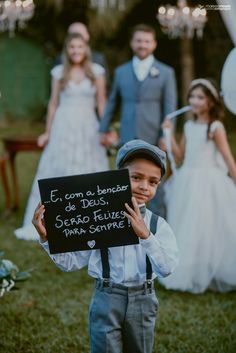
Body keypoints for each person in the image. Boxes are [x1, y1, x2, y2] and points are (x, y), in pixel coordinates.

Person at [32, 139, 179, 353]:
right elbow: (70, 264)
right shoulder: (97, 219)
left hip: (143, 298)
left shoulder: (158, 226)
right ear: (118, 176)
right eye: (136, 177)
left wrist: (146, 236)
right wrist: (47, 239)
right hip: (107, 296)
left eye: (153, 181)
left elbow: (166, 268)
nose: (144, 186)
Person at [15, 33, 109, 241]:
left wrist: (105, 129)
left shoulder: (96, 72)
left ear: (86, 49)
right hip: (64, 125)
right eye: (72, 47)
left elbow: (102, 102)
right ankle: (58, 218)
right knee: (59, 167)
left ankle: (90, 218)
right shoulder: (59, 72)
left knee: (89, 168)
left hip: (88, 125)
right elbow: (53, 103)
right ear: (67, 50)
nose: (76, 51)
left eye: (80, 47)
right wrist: (47, 132)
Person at [160, 78, 236, 293]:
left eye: (200, 97)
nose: (194, 100)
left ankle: (214, 268)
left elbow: (229, 160)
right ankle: (190, 271)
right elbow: (181, 155)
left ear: (210, 102)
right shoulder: (189, 125)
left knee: (210, 226)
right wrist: (168, 137)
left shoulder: (215, 127)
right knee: (189, 225)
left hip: (209, 181)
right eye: (192, 96)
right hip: (188, 179)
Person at [99, 23, 177, 216]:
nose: (143, 44)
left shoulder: (166, 72)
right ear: (133, 43)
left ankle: (157, 227)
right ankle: (125, 223)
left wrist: (165, 136)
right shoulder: (121, 71)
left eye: (147, 41)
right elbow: (111, 103)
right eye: (139, 40)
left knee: (154, 184)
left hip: (154, 135)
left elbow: (170, 108)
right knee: (124, 182)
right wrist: (103, 129)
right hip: (128, 135)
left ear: (154, 44)